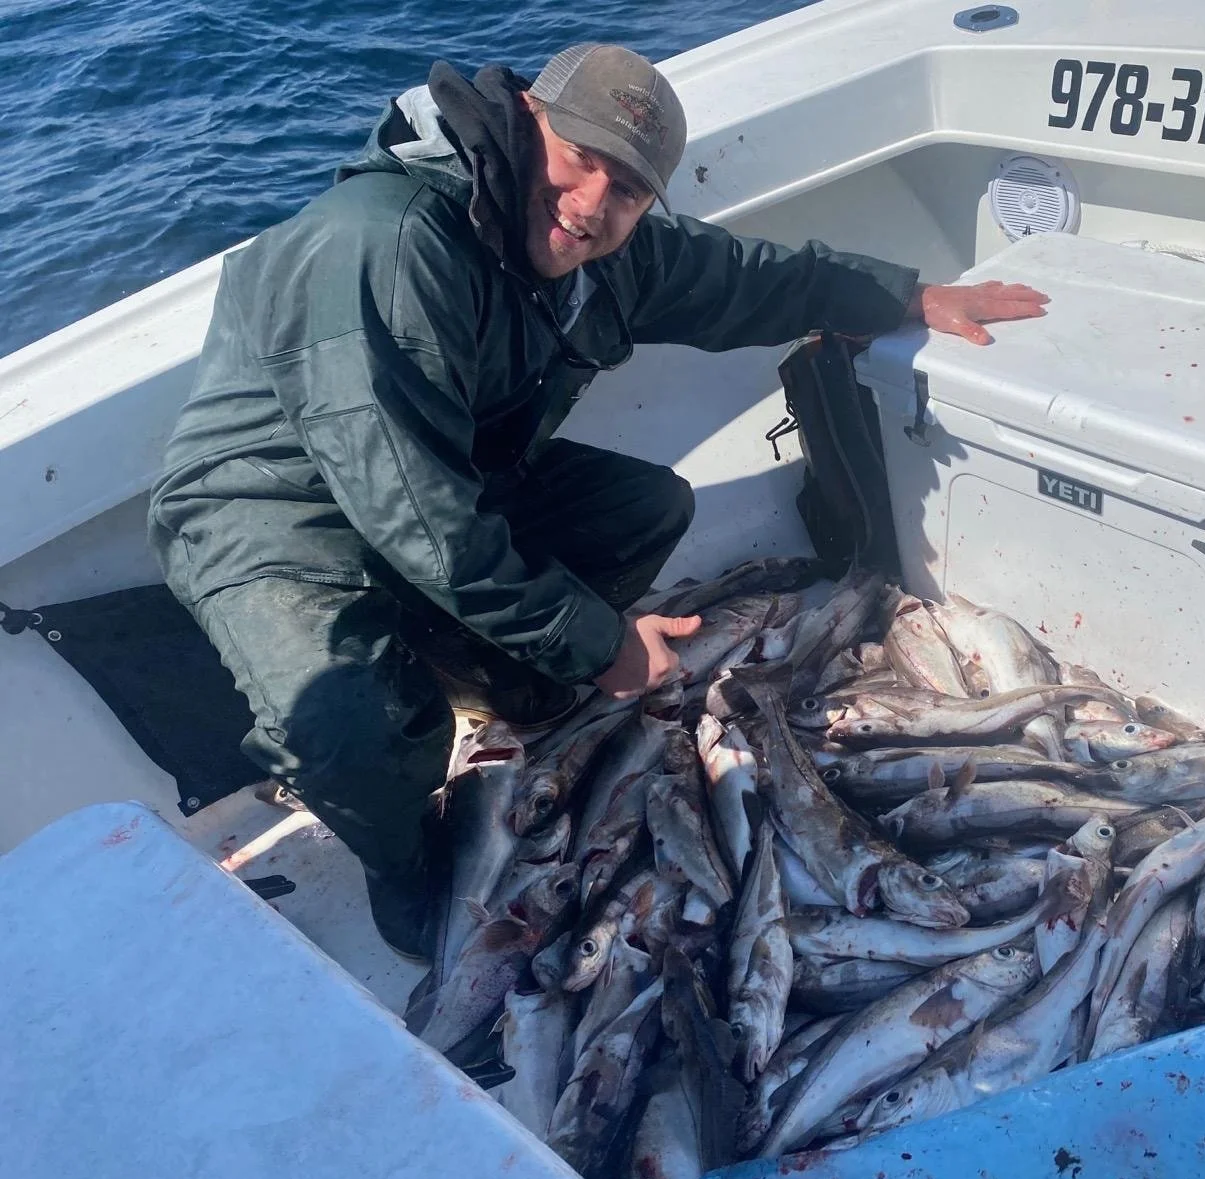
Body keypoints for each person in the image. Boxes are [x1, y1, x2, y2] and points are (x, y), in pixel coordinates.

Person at [147, 44, 1049, 959]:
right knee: (355, 725)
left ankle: (504, 679)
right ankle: (405, 857)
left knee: (644, 509)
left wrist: (905, 294)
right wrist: (602, 641)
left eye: (627, 190)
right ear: (529, 118)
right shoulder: (387, 242)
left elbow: (744, 278)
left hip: (431, 491)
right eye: (579, 158)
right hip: (271, 510)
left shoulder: (604, 251)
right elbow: (418, 516)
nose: (590, 206)